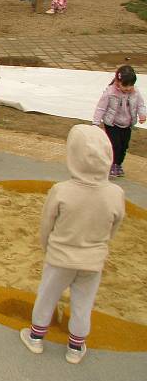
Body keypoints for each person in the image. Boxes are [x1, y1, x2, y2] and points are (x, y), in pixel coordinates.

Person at [19, 124, 125, 365]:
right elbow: (115, 226)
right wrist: (102, 246)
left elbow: (47, 225)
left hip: (60, 256)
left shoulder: (62, 191)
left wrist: (47, 247)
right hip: (93, 259)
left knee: (47, 295)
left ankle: (36, 337)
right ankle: (75, 348)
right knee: (83, 302)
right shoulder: (115, 193)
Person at [92, 65, 146, 178]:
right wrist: (96, 123)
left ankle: (118, 164)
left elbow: (141, 104)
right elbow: (101, 108)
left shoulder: (135, 92)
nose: (128, 88)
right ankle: (112, 164)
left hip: (127, 124)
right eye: (125, 85)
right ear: (117, 82)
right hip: (112, 123)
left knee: (124, 146)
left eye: (131, 85)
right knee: (114, 145)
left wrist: (142, 114)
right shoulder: (110, 93)